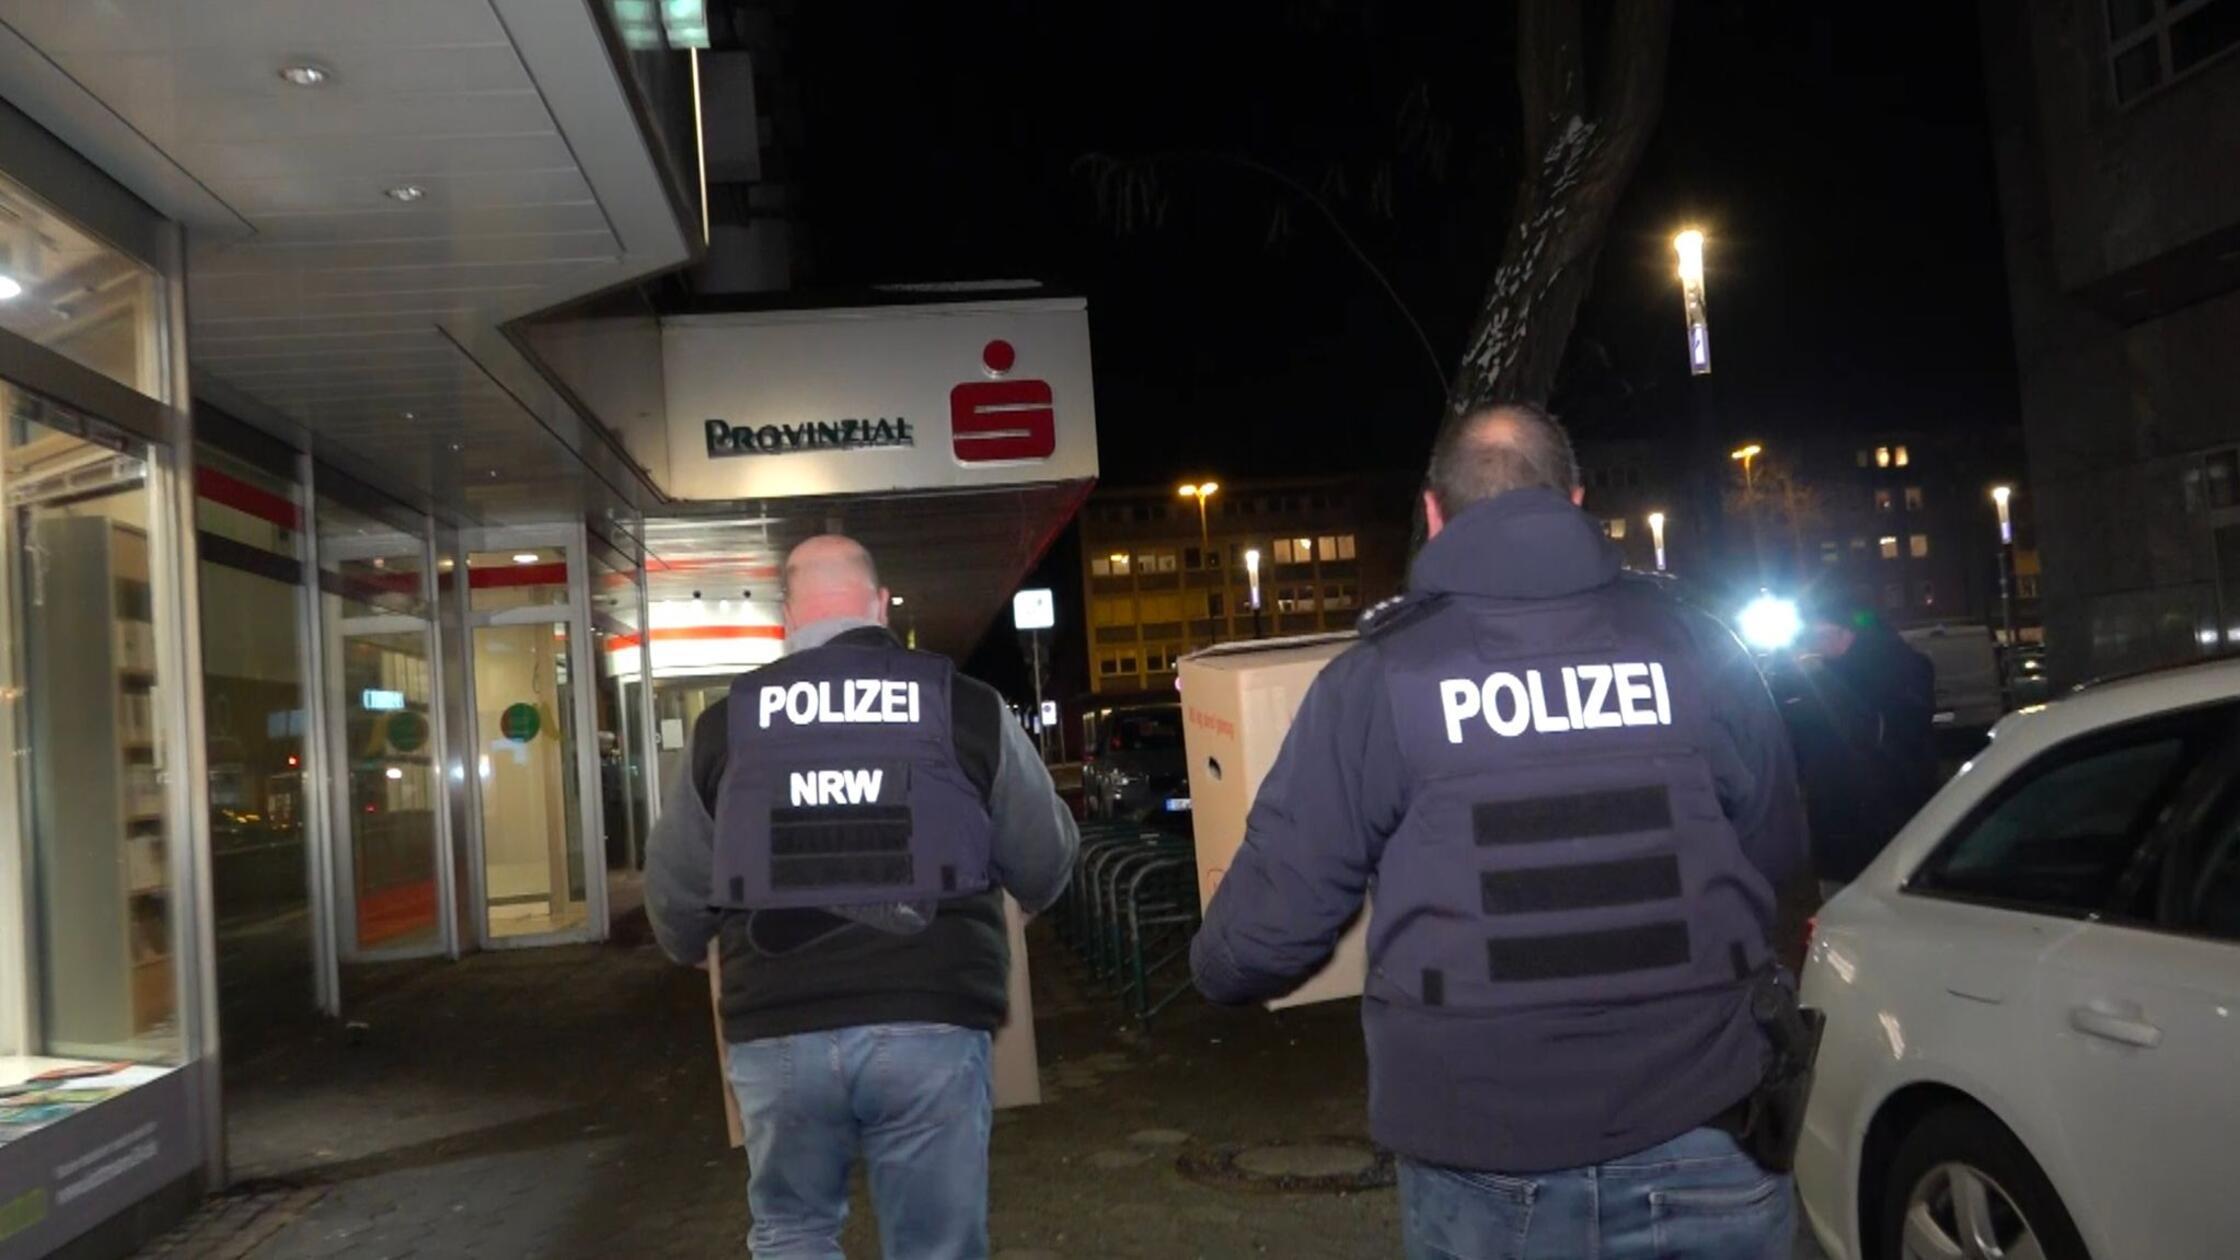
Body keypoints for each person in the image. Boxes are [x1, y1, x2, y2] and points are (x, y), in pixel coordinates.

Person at [1190, 405, 1809, 1260]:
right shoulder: (1700, 645)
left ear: (1434, 512)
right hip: (1709, 1131)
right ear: (1576, 500)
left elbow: (1266, 933)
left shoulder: (1379, 677)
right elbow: (1779, 859)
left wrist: (1210, 969)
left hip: (1484, 1161)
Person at [645, 535, 1078, 1260]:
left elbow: (676, 894)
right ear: (880, 605)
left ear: (787, 617)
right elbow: (1045, 857)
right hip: (929, 1019)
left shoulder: (727, 725)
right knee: (935, 1245)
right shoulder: (963, 705)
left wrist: (694, 947)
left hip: (778, 1025)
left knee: (793, 1232)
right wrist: (1022, 903)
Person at [1791, 602, 1937, 896]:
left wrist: (1817, 678)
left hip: (1876, 819)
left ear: (1845, 633)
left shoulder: (1891, 672)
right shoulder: (1834, 671)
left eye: (1819, 634)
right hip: (1849, 820)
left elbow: (1868, 732)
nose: (1814, 643)